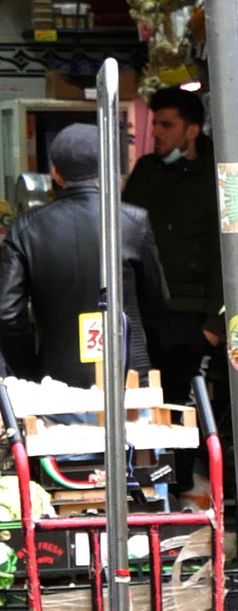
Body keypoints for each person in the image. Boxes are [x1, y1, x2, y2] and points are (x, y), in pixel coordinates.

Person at [0, 121, 163, 384]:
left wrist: (28, 371)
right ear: (107, 168)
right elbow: (156, 303)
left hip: (57, 379)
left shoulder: (25, 228)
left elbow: (7, 314)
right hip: (129, 375)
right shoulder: (133, 221)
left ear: (56, 173)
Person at [122, 87, 224, 410]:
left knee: (187, 413)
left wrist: (213, 326)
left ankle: (188, 463)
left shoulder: (217, 178)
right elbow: (124, 235)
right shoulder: (147, 171)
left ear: (192, 131)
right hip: (145, 314)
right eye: (155, 124)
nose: (156, 132)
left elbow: (227, 252)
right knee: (144, 409)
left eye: (166, 125)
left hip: (192, 318)